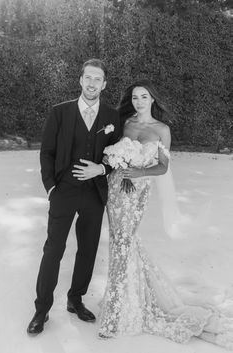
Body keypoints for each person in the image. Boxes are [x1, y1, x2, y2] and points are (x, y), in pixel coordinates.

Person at [98, 79, 233, 350]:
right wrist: (111, 160)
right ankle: (123, 300)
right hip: (116, 190)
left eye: (144, 97)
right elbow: (107, 154)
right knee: (121, 244)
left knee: (126, 241)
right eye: (135, 97)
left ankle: (114, 314)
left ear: (153, 100)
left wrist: (138, 173)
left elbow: (162, 167)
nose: (138, 102)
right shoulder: (124, 123)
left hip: (138, 192)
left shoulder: (162, 130)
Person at [27, 59, 121, 335]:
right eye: (88, 78)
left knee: (88, 250)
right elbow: (47, 152)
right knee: (53, 250)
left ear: (104, 84)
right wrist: (51, 187)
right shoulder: (60, 112)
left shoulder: (111, 117)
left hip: (94, 194)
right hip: (64, 191)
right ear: (80, 80)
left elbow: (118, 154)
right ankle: (41, 309)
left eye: (98, 79)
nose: (92, 84)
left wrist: (101, 169)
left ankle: (75, 299)